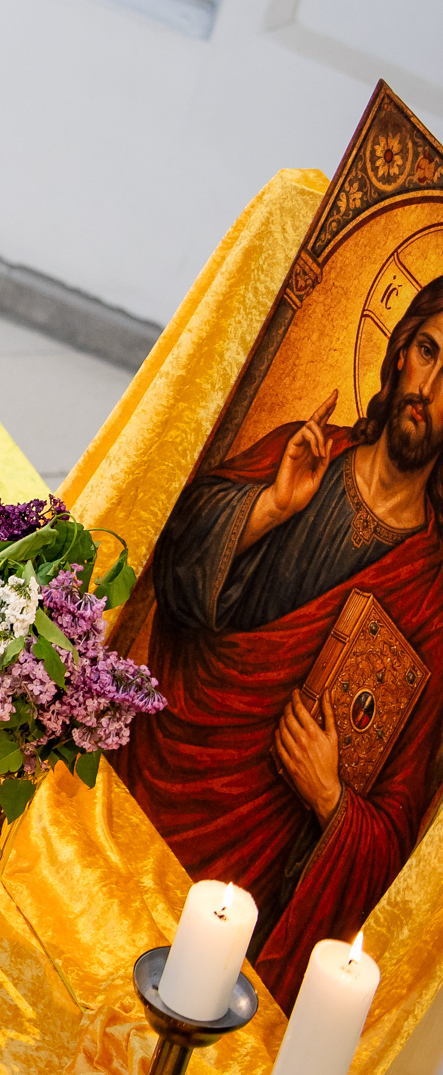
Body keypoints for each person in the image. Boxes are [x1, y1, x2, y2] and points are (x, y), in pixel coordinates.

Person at [115, 275, 443, 1007]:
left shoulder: (433, 595)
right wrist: (269, 506)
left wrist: (330, 797)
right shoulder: (306, 454)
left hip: (248, 873)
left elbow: (398, 826)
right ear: (400, 353)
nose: (430, 387)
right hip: (157, 770)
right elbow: (171, 572)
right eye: (428, 351)